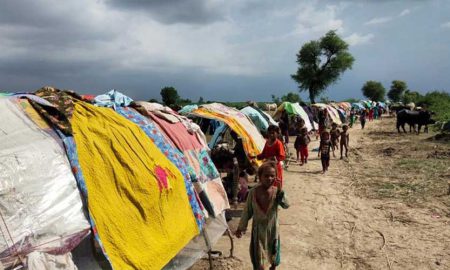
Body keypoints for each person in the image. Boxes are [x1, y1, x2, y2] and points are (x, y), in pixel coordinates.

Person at [235, 161, 289, 270]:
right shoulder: (253, 193)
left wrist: (280, 191)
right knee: (258, 261)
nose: (269, 178)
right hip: (258, 231)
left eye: (272, 176)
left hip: (273, 230)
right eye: (266, 175)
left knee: (273, 258)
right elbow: (247, 212)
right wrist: (241, 228)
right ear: (259, 176)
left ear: (276, 177)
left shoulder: (276, 192)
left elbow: (286, 205)